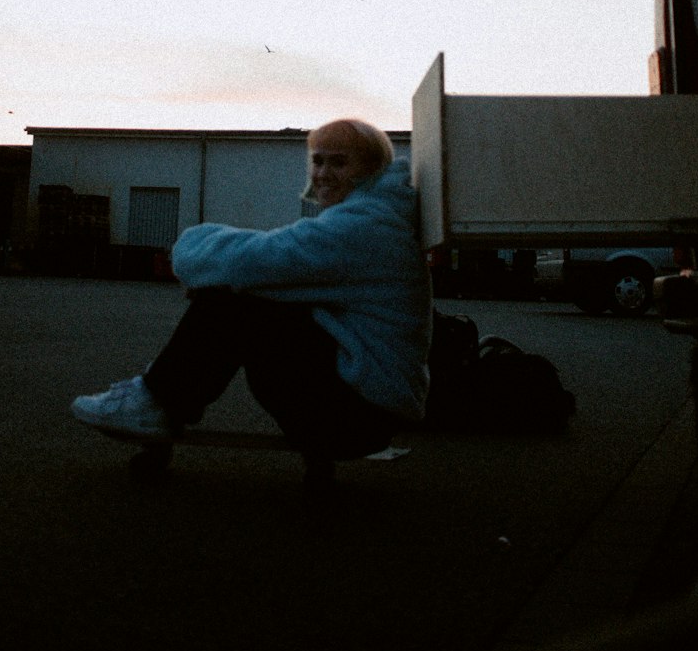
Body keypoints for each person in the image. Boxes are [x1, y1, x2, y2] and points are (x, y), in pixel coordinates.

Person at [71, 119, 432, 461]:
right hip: (367, 411)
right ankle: (156, 400)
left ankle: (155, 403)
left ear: (371, 169)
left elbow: (257, 259)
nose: (322, 174)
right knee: (245, 290)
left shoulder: (363, 228)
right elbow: (275, 271)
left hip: (354, 419)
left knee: (234, 301)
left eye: (338, 163)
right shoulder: (378, 219)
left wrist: (191, 250)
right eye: (317, 161)